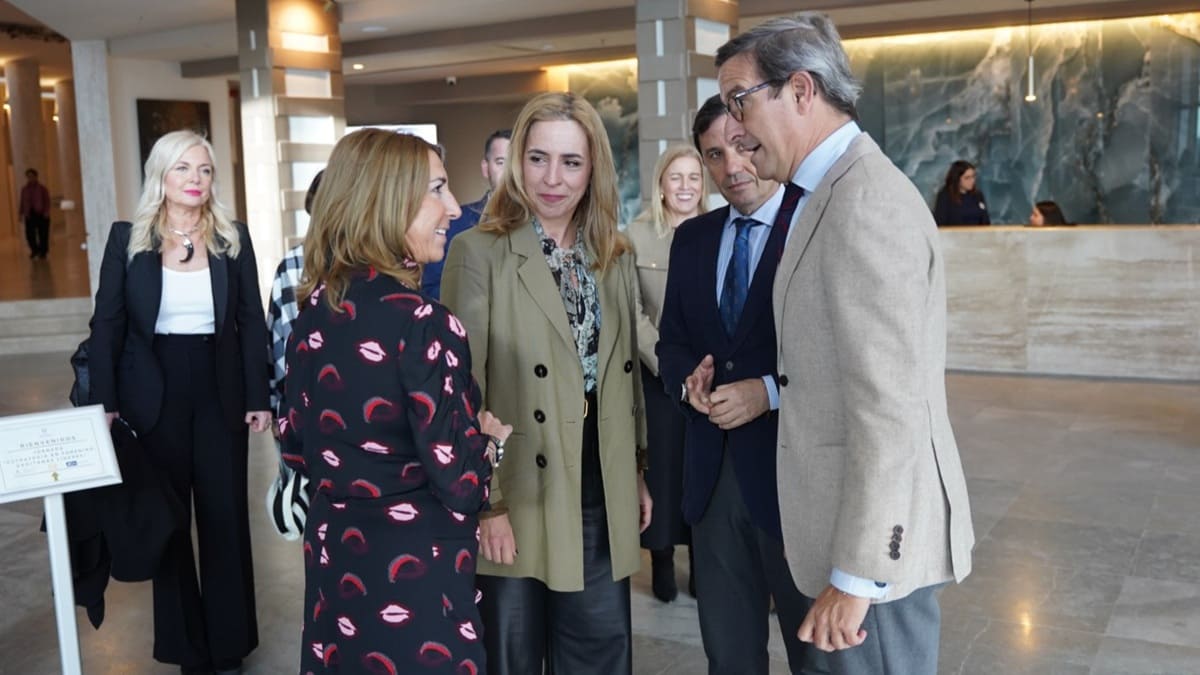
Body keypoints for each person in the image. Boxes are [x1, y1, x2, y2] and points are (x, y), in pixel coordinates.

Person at [716, 13, 975, 674]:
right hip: (842, 530)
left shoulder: (862, 204)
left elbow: (891, 408)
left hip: (873, 558)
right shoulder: (827, 192)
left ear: (800, 91)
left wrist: (860, 575)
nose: (733, 129)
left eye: (738, 101)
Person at [279, 128, 509, 675]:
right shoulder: (426, 324)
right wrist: (491, 444)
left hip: (337, 564)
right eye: (436, 189)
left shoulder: (313, 312)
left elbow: (294, 447)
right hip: (417, 581)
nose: (453, 207)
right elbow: (462, 482)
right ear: (385, 202)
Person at [440, 92, 652, 675]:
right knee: (511, 652)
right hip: (518, 487)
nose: (552, 178)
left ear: (594, 169)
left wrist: (634, 469)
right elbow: (461, 391)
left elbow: (623, 374)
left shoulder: (613, 251)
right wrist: (487, 504)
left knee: (600, 651)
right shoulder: (477, 251)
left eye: (571, 162)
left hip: (598, 483)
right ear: (516, 163)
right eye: (537, 159)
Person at [87, 129, 271, 675]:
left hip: (219, 390)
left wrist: (260, 395)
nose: (195, 180)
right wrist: (106, 402)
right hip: (152, 391)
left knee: (224, 518)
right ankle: (185, 648)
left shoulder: (231, 237)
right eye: (183, 169)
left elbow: (250, 323)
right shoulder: (129, 239)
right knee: (169, 523)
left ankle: (228, 646)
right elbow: (108, 325)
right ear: (161, 177)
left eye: (205, 170)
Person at [657, 95, 821, 674]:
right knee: (729, 656)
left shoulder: (814, 224)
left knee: (816, 655)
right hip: (713, 476)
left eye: (743, 146)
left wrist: (769, 392)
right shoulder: (693, 239)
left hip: (795, 477)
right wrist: (687, 382)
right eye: (715, 155)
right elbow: (672, 340)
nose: (732, 167)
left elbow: (843, 357)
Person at [626, 143, 705, 603]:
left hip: (709, 376)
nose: (685, 187)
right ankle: (659, 560)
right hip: (658, 377)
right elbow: (633, 312)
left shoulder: (718, 227)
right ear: (660, 183)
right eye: (676, 177)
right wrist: (672, 366)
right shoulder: (637, 236)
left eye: (694, 177)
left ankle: (699, 560)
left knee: (699, 469)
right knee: (662, 469)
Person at [265, 170, 323, 540]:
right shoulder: (295, 263)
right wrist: (277, 409)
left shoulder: (390, 259)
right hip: (311, 412)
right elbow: (278, 342)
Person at [422, 129, 511, 299]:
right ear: (486, 168)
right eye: (501, 162)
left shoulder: (546, 226)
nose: (511, 173)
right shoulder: (453, 222)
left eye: (518, 163)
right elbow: (430, 287)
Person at [932, 160, 990, 226]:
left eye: (973, 176)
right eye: (967, 178)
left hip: (978, 235)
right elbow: (940, 223)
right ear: (957, 179)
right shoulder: (945, 196)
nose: (972, 181)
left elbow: (986, 222)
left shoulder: (978, 195)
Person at [19, 168, 52, 259]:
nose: (30, 178)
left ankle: (43, 252)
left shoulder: (42, 189)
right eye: (28, 177)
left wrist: (46, 212)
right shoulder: (24, 189)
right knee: (29, 234)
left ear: (36, 177)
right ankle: (34, 250)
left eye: (32, 176)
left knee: (43, 234)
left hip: (41, 214)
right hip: (29, 214)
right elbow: (22, 202)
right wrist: (21, 213)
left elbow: (47, 201)